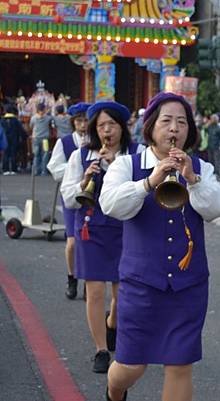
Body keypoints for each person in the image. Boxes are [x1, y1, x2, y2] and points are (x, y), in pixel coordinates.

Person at [99, 92, 220, 401]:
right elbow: (110, 204)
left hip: (189, 284)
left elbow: (217, 208)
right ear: (151, 127)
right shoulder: (126, 165)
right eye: (167, 121)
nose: (174, 129)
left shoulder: (200, 167)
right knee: (131, 367)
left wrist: (193, 179)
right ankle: (114, 391)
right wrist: (148, 183)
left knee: (180, 365)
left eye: (182, 122)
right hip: (141, 283)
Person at [61, 101, 144, 374]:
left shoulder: (136, 154)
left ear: (122, 127)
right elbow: (69, 195)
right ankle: (100, 349)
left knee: (122, 294)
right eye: (101, 125)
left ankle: (113, 323)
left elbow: (144, 190)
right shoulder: (82, 155)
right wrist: (85, 178)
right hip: (92, 228)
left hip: (125, 229)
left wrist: (116, 167)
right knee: (95, 292)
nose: (107, 130)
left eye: (112, 124)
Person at [47, 102, 90, 299]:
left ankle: (89, 281)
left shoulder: (96, 142)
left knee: (90, 241)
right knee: (72, 242)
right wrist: (75, 168)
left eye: (86, 121)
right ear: (73, 123)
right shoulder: (64, 143)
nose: (83, 125)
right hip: (73, 194)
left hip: (92, 197)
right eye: (79, 121)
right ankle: (72, 277)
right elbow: (54, 168)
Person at [1, 105, 27, 175]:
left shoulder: (2, 120)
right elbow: (21, 130)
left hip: (4, 139)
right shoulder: (15, 120)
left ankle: (5, 169)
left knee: (5, 154)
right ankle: (13, 169)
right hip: (14, 139)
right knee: (13, 154)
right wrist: (25, 136)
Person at [29, 102, 54, 175]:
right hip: (45, 138)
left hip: (36, 138)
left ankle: (36, 171)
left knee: (36, 155)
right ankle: (44, 171)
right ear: (44, 109)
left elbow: (31, 126)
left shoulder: (33, 118)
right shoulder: (48, 118)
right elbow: (52, 124)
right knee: (45, 154)